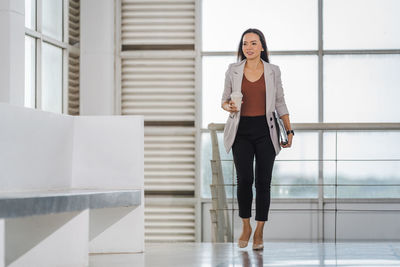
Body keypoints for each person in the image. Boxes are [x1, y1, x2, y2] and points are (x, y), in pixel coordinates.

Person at [221, 28, 294, 250]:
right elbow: (224, 100)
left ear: (262, 46)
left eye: (254, 43)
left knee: (264, 182)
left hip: (266, 130)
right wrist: (229, 106)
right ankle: (246, 225)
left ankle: (260, 230)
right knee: (244, 180)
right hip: (241, 131)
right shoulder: (233, 70)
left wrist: (289, 131)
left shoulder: (273, 70)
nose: (249, 47)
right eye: (245, 44)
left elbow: (280, 101)